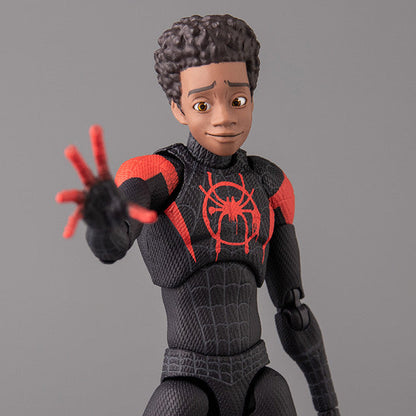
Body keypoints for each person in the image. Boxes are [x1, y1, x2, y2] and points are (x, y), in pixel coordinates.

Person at [57, 14, 340, 416]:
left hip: (258, 378)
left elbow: (294, 311)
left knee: (277, 389)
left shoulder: (269, 184)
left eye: (238, 101)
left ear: (252, 98)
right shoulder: (161, 175)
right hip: (189, 382)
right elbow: (115, 241)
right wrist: (102, 219)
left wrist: (328, 406)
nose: (224, 118)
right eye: (203, 104)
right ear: (178, 108)